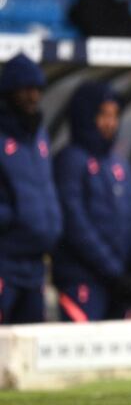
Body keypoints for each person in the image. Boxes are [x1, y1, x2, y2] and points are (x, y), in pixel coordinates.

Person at [51, 81, 131, 321]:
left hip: (119, 284)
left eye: (115, 115)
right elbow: (76, 225)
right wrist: (114, 271)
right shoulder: (69, 161)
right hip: (82, 280)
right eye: (103, 115)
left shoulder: (119, 165)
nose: (110, 123)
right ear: (86, 116)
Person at [0, 53, 62, 324]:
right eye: (25, 90)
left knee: (29, 350)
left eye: (37, 90)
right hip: (5, 262)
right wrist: (11, 219)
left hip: (36, 265)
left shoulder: (39, 136)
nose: (33, 97)